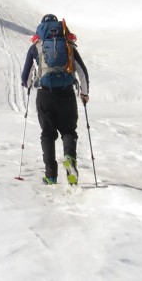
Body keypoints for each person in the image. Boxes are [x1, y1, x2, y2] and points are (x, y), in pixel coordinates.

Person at [21, 14, 89, 185]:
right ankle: (69, 161)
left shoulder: (36, 47)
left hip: (45, 95)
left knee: (48, 134)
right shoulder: (68, 46)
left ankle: (51, 176)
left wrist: (29, 85)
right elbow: (82, 71)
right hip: (66, 94)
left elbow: (25, 77)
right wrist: (84, 93)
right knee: (68, 132)